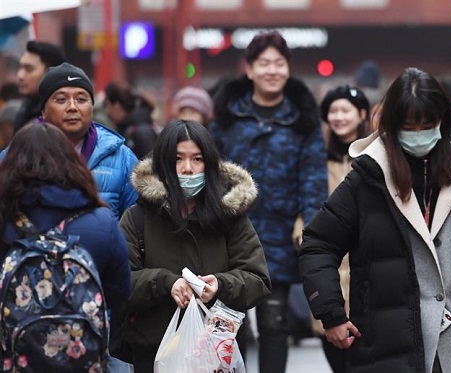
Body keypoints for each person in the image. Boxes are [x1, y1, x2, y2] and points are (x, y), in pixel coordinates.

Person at [298, 67, 451, 373]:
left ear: (443, 122)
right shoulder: (369, 179)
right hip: (389, 346)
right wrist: (331, 314)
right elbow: (318, 244)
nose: (418, 135)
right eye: (409, 126)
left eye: (427, 125)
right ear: (392, 126)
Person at [210, 31, 328, 373]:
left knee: (275, 322)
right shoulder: (228, 116)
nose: (272, 71)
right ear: (249, 70)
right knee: (231, 322)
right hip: (231, 231)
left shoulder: (302, 119)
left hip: (280, 233)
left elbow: (312, 175)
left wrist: (309, 219)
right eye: (264, 64)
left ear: (288, 69)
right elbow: (212, 168)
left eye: (279, 63)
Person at [118, 120, 271, 372]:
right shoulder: (138, 218)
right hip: (154, 352)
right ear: (163, 164)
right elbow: (119, 282)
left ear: (209, 164)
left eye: (197, 159)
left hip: (216, 353)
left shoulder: (230, 216)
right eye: (177, 159)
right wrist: (165, 283)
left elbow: (258, 280)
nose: (187, 169)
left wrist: (220, 285)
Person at [0, 122, 131, 319]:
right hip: (82, 342)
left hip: (10, 344)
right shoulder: (101, 221)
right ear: (71, 162)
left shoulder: (5, 217)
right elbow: (120, 291)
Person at [0, 62, 139, 219]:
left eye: (81, 99)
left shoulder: (122, 159)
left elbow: (135, 229)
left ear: (92, 107)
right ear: (43, 111)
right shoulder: (15, 156)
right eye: (61, 100)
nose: (72, 107)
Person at [312, 84, 370, 373]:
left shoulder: (375, 157)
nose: (339, 117)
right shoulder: (317, 158)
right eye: (333, 111)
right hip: (331, 255)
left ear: (361, 114)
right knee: (331, 333)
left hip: (365, 253)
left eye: (345, 110)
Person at [14, 41, 66, 131]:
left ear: (50, 73)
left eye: (29, 69)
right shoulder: (24, 110)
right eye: (21, 67)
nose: (20, 75)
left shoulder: (65, 116)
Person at [104, 81, 158, 159]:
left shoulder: (141, 131)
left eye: (108, 106)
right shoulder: (126, 129)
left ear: (117, 106)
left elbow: (150, 167)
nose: (107, 111)